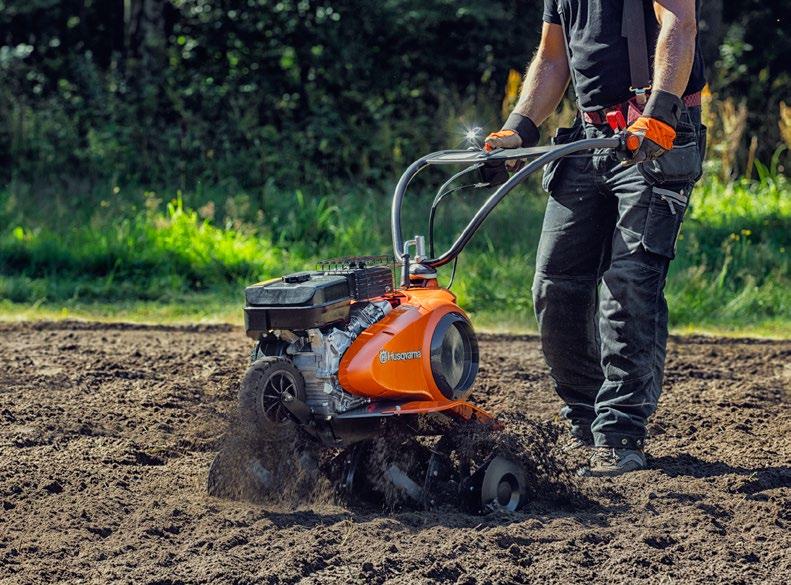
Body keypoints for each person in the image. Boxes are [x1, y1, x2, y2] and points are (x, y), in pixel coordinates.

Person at [484, 0, 706, 476]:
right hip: (589, 139)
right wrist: (517, 130)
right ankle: (585, 421)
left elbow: (679, 24)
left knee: (628, 282)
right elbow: (552, 58)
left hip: (658, 135)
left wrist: (660, 111)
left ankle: (620, 433)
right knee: (554, 284)